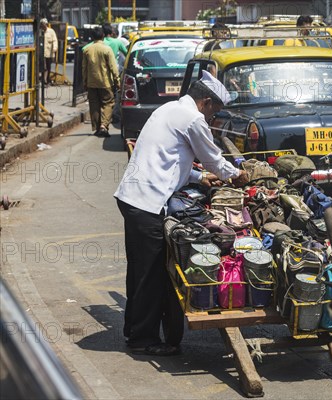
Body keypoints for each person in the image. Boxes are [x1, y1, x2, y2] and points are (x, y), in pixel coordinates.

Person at [114, 71, 249, 356]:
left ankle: (134, 330)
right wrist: (236, 175)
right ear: (206, 102)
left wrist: (201, 179)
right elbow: (212, 158)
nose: (213, 118)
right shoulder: (193, 119)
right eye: (215, 112)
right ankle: (143, 340)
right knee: (151, 273)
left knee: (139, 269)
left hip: (133, 198)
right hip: (147, 202)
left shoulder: (170, 109)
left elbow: (171, 159)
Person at [82, 26, 120, 137]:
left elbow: (84, 68)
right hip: (105, 82)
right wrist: (117, 81)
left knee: (94, 105)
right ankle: (104, 125)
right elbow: (113, 67)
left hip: (91, 83)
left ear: (92, 37)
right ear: (103, 36)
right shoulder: (107, 49)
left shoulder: (87, 50)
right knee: (108, 103)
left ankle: (97, 128)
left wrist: (85, 82)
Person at [40, 19, 57, 85]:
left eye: (43, 25)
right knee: (44, 67)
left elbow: (55, 40)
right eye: (41, 25)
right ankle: (44, 80)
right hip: (42, 53)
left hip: (49, 53)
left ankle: (47, 80)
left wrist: (55, 48)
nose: (42, 26)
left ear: (46, 25)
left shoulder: (51, 31)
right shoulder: (41, 32)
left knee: (48, 67)